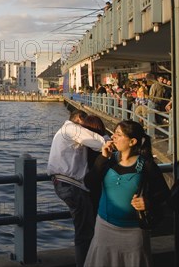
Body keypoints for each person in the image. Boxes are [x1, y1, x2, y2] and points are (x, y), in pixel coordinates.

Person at [84, 121, 170, 266]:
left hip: (134, 232)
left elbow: (164, 194)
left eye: (119, 134)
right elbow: (89, 183)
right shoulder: (108, 159)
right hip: (104, 227)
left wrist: (148, 202)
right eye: (114, 133)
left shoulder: (146, 165)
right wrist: (102, 158)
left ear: (132, 141)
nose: (113, 137)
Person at [47, 110, 107, 267]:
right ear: (79, 119)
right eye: (84, 124)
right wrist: (115, 142)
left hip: (63, 183)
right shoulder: (71, 128)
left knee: (84, 228)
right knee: (85, 232)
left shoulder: (62, 132)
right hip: (71, 184)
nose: (86, 128)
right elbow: (98, 142)